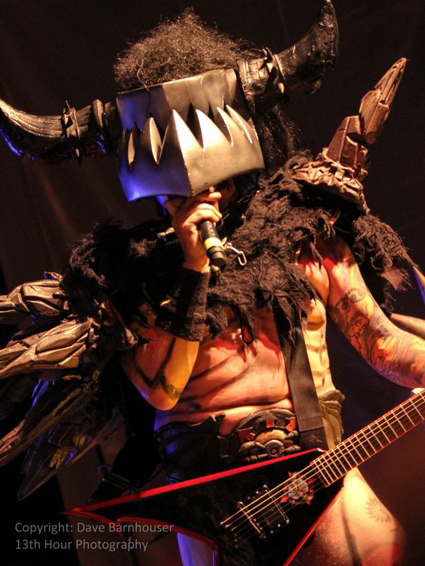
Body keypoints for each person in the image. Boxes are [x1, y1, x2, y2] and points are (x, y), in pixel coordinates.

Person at [0, 5, 423, 566]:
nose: (204, 194)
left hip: (315, 471)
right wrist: (194, 268)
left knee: (383, 554)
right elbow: (163, 391)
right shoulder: (133, 276)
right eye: (178, 193)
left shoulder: (301, 236)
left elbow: (383, 344)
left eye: (217, 181)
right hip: (212, 508)